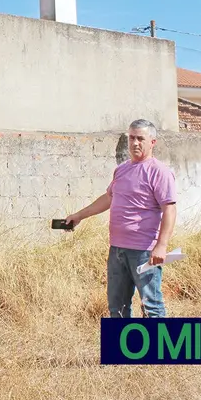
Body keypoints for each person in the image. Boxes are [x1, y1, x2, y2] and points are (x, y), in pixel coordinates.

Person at [64, 119, 177, 318]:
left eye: (140, 138)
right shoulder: (122, 169)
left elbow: (169, 208)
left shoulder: (159, 171)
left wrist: (161, 245)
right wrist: (79, 216)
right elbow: (109, 198)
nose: (135, 143)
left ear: (153, 142)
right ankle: (124, 348)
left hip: (144, 251)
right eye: (131, 138)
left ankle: (160, 349)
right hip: (117, 250)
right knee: (117, 307)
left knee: (151, 307)